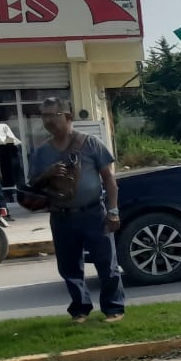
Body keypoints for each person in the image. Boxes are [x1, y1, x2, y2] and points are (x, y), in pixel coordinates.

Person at [27, 98, 126, 322]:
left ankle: (114, 308)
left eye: (53, 115)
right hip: (61, 217)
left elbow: (109, 179)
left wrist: (113, 211)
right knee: (69, 267)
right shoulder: (42, 152)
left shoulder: (90, 143)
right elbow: (32, 184)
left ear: (68, 116)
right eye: (44, 116)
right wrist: (48, 174)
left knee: (106, 263)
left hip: (93, 213)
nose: (48, 120)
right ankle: (80, 309)